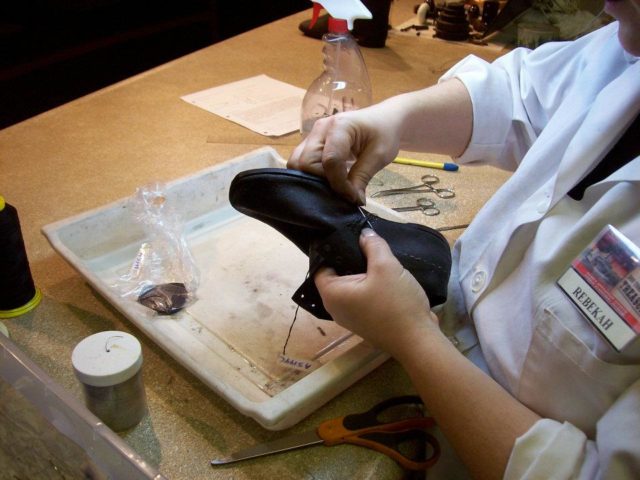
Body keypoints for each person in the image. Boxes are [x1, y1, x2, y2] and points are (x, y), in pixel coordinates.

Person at [287, 1, 640, 478]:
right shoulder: (627, 46)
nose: (605, 5)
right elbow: (520, 94)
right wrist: (394, 119)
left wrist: (412, 338)